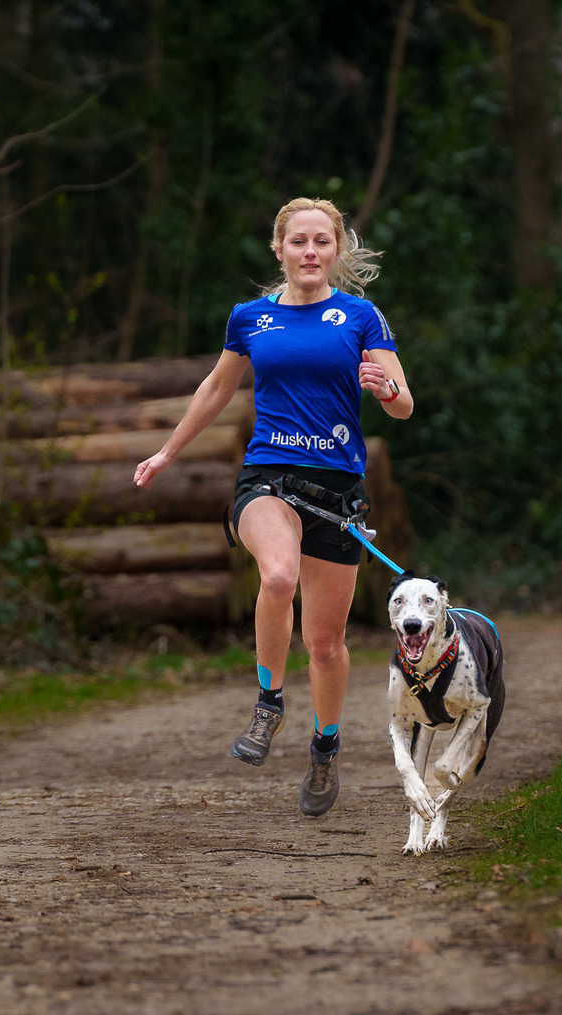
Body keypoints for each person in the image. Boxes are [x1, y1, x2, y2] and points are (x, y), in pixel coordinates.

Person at [134, 197, 412, 816]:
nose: (310, 252)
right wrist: (167, 452)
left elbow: (403, 404)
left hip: (337, 490)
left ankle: (325, 746)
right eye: (298, 242)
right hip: (268, 479)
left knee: (325, 644)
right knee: (278, 574)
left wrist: (387, 388)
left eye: (321, 242)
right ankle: (268, 702)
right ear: (280, 250)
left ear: (336, 252)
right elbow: (216, 388)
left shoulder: (362, 318)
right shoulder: (250, 318)